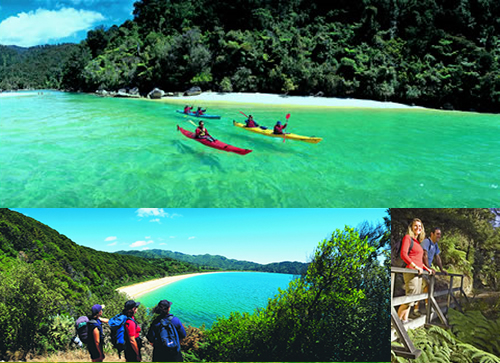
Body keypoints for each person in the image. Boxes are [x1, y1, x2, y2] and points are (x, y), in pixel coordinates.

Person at [397, 218, 434, 323]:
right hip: (411, 271)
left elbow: (419, 261)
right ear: (411, 227)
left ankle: (404, 319)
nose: (418, 228)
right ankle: (395, 323)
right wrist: (414, 266)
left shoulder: (417, 242)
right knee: (409, 298)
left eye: (420, 226)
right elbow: (403, 254)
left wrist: (427, 269)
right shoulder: (408, 238)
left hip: (418, 272)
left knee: (413, 299)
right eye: (415, 226)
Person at [414, 227, 448, 314]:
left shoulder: (435, 245)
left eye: (440, 234)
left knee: (426, 287)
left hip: (426, 269)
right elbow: (424, 255)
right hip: (420, 267)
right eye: (437, 234)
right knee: (420, 289)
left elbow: (437, 257)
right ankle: (417, 309)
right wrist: (428, 268)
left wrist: (441, 269)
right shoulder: (426, 242)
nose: (439, 236)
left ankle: (426, 307)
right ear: (432, 234)